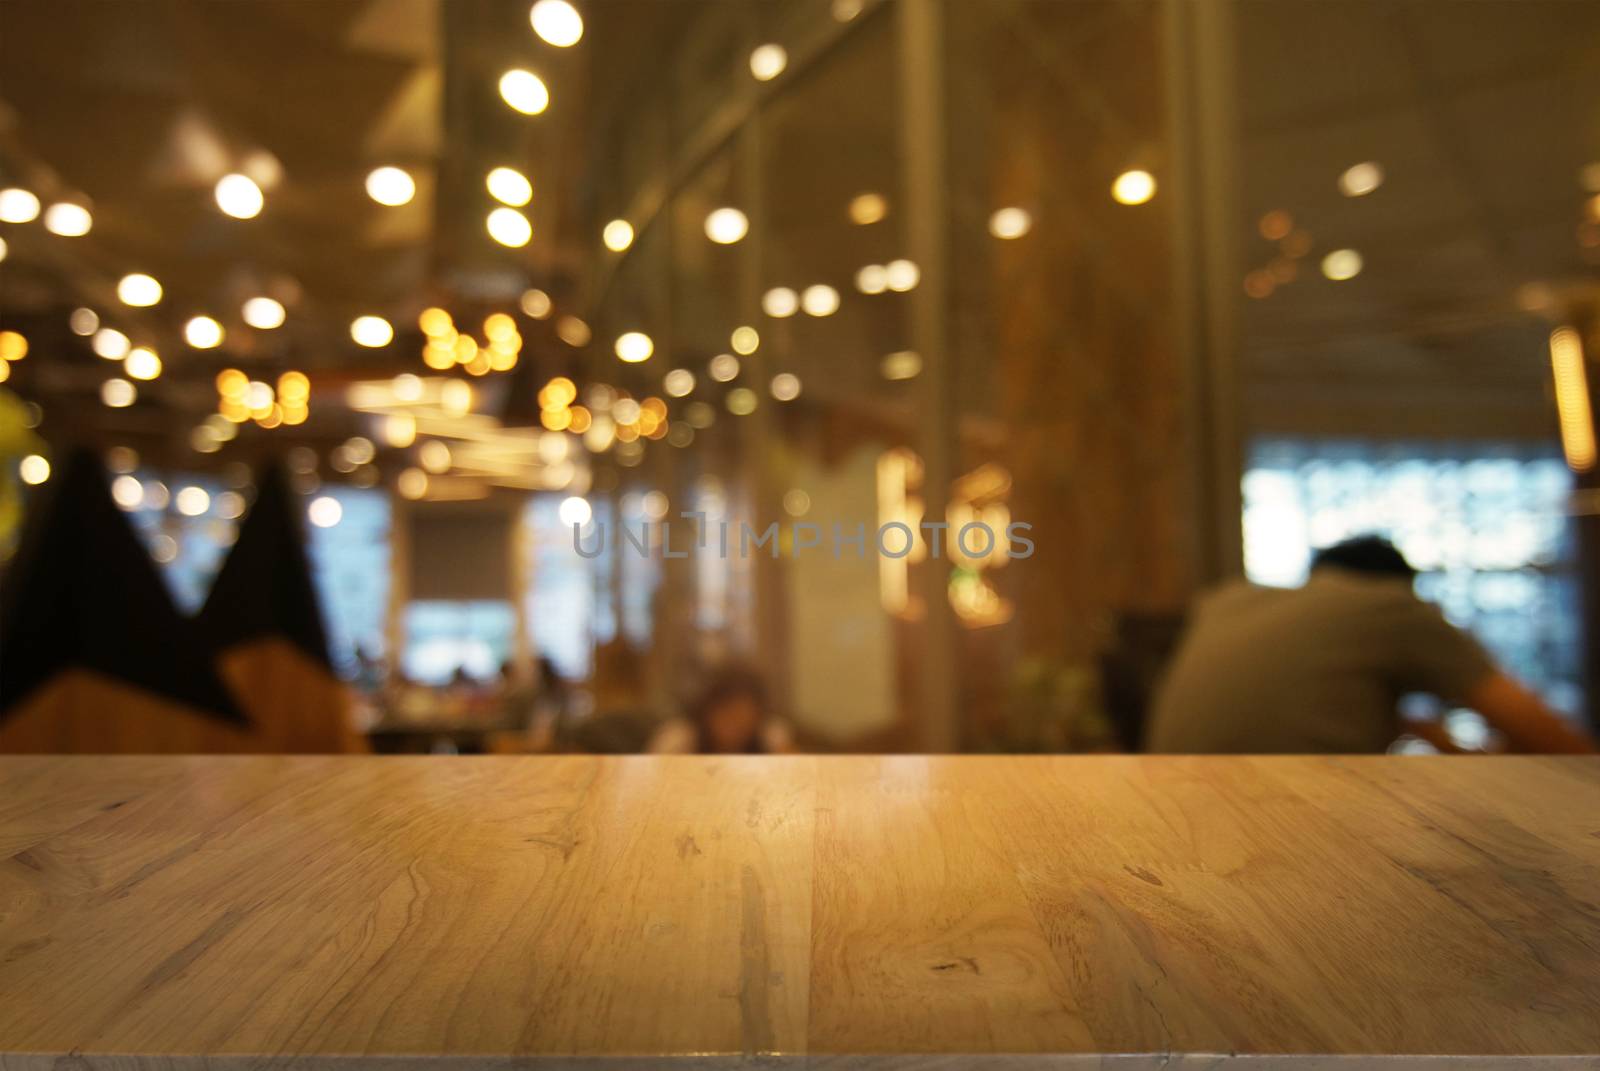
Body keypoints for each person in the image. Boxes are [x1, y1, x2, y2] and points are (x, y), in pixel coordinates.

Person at [1146, 536, 1594, 754]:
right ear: (1402, 586)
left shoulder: (1230, 601)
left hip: (1171, 825)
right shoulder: (1389, 605)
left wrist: (1425, 734)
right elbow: (1551, 740)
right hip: (1292, 841)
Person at [648, 665, 795, 754]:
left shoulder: (769, 734)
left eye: (745, 718)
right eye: (729, 715)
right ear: (708, 710)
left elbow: (794, 775)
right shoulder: (679, 736)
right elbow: (652, 780)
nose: (737, 726)